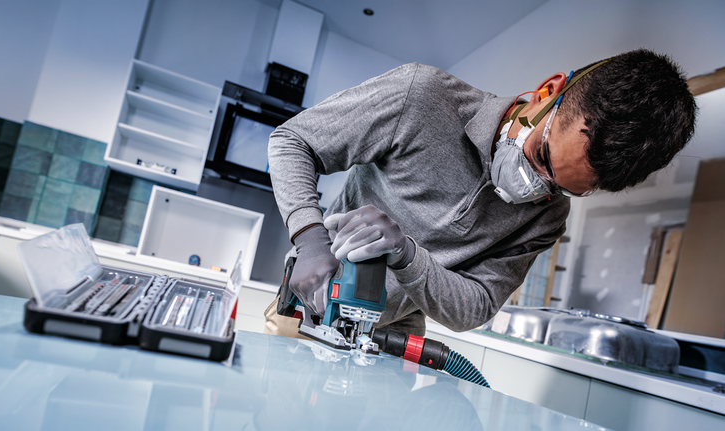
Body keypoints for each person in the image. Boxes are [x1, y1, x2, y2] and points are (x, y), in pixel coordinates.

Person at [263, 48, 697, 337]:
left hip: (395, 336)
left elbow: (475, 306)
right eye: (543, 156)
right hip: (311, 302)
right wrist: (310, 237)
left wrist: (408, 256)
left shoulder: (547, 217)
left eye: (561, 188)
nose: (534, 186)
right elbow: (293, 142)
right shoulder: (421, 97)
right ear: (547, 95)